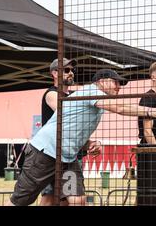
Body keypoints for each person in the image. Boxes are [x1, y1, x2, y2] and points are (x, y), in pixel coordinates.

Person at [7, 69, 156, 206]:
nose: (119, 87)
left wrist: (90, 143)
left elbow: (72, 130)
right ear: (102, 81)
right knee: (20, 201)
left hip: (66, 159)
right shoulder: (92, 91)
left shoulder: (96, 103)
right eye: (116, 82)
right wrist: (151, 111)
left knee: (77, 199)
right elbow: (119, 107)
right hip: (45, 153)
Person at [39, 58, 101, 206]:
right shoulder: (51, 94)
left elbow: (76, 129)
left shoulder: (74, 96)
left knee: (70, 199)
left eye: (72, 70)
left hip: (70, 158)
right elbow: (67, 113)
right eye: (66, 70)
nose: (71, 73)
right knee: (49, 199)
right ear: (54, 73)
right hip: (51, 156)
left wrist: (90, 143)